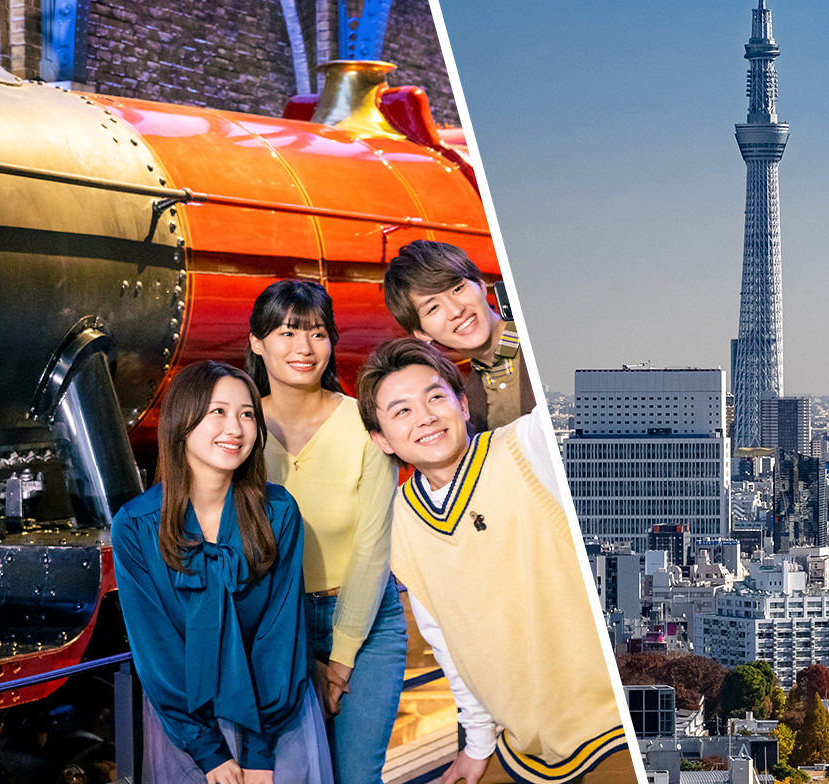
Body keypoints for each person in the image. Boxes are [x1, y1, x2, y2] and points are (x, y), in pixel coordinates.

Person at [356, 338, 632, 784]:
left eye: (435, 397)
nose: (424, 417)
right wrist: (477, 743)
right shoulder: (400, 522)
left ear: (463, 405)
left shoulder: (524, 449)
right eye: (401, 411)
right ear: (381, 439)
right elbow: (446, 643)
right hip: (520, 743)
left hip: (611, 727)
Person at [111, 361, 331, 784]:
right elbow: (156, 650)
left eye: (247, 414)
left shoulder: (278, 511)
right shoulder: (136, 525)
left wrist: (259, 752)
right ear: (182, 422)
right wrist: (209, 751)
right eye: (218, 412)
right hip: (189, 726)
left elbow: (279, 635)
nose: (235, 427)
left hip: (274, 719)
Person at [247, 279, 406, 784]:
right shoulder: (239, 430)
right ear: (257, 342)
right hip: (275, 625)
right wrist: (293, 649)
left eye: (317, 333)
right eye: (288, 332)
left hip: (365, 622)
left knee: (357, 776)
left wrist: (338, 659)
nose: (304, 348)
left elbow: (372, 547)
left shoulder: (363, 424)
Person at [381, 240, 534, 432]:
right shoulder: (465, 405)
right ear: (422, 333)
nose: (455, 310)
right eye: (433, 308)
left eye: (457, 289)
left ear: (480, 284)